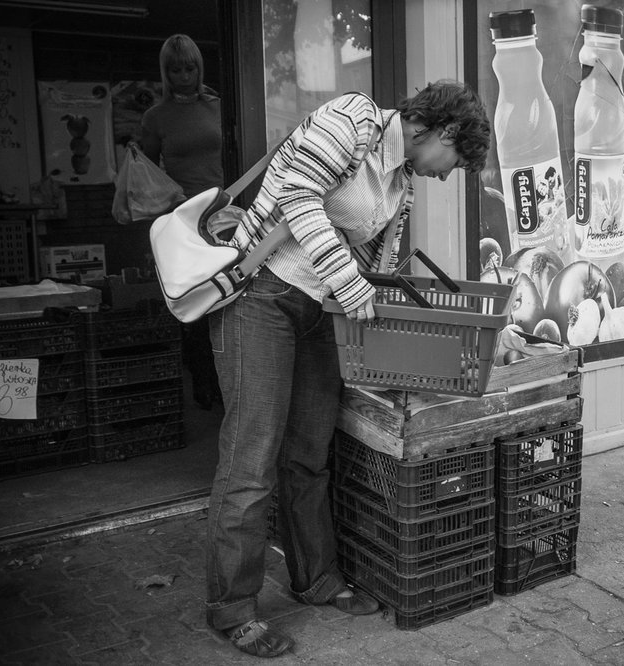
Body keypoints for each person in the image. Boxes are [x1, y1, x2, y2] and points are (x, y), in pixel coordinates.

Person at [205, 81, 490, 658]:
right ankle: (231, 607)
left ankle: (314, 579)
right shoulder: (354, 119)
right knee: (251, 458)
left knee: (308, 453)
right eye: (456, 161)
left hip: (321, 312)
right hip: (261, 296)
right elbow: (297, 194)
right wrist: (347, 280)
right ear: (442, 131)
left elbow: (374, 263)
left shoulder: (402, 181)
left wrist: (389, 323)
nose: (448, 175)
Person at [140, 33, 223, 410]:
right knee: (193, 300)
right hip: (182, 218)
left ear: (199, 68)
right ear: (165, 72)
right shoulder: (155, 117)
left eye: (190, 68)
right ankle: (203, 381)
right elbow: (148, 174)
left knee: (224, 294)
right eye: (175, 70)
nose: (184, 76)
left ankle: (223, 378)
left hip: (222, 213)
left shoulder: (218, 106)